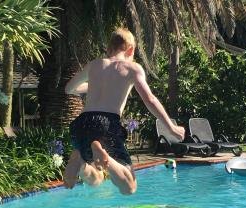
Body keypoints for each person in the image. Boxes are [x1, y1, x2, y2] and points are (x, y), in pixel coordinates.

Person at [63, 28, 185, 195]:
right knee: (129, 187)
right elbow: (150, 100)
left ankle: (81, 164)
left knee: (96, 179)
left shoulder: (94, 65)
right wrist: (171, 127)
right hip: (105, 124)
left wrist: (94, 87)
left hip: (80, 124)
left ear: (109, 48)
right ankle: (102, 156)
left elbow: (69, 89)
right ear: (131, 49)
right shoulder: (132, 68)